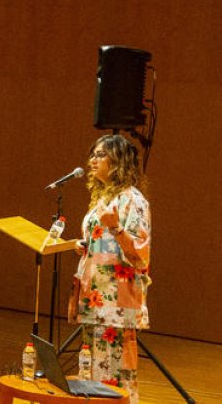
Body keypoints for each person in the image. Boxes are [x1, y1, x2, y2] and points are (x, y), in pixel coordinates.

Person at [69, 134, 151, 403]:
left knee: (115, 377)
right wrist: (86, 245)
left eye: (101, 154)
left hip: (116, 303)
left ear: (119, 161)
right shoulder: (101, 200)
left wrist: (115, 228)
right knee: (92, 373)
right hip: (94, 299)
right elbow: (104, 245)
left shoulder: (133, 200)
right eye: (92, 153)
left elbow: (141, 255)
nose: (93, 159)